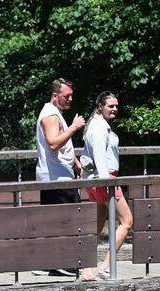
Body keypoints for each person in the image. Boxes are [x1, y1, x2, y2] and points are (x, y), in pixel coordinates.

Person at [81, 91, 133, 280]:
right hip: (104, 180)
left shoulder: (98, 124)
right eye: (111, 106)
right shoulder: (98, 128)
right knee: (127, 221)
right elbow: (99, 155)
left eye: (116, 106)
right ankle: (106, 266)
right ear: (100, 106)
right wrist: (106, 182)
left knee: (97, 224)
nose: (115, 109)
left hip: (97, 180)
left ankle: (87, 270)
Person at [35, 78, 85, 205]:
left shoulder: (54, 113)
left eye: (71, 95)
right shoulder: (51, 115)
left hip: (59, 178)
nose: (70, 99)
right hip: (57, 181)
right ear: (55, 96)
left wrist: (75, 162)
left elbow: (61, 143)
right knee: (73, 216)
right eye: (67, 96)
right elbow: (53, 143)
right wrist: (74, 127)